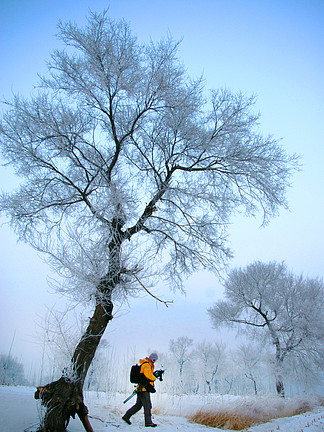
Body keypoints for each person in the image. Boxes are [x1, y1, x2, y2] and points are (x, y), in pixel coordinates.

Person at [122, 353, 158, 427]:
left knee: (138, 405)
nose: (154, 361)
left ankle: (126, 416)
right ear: (151, 358)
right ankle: (148, 422)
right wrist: (154, 377)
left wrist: (154, 374)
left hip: (141, 389)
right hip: (143, 389)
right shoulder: (146, 364)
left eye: (155, 360)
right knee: (147, 406)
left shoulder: (147, 364)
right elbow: (148, 375)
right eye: (154, 360)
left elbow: (146, 375)